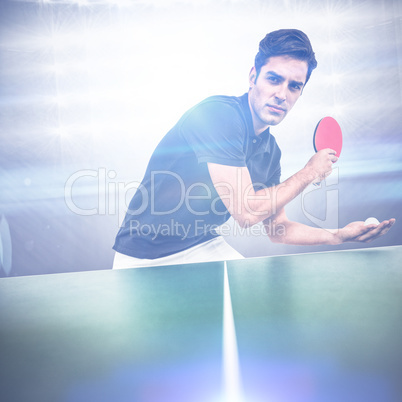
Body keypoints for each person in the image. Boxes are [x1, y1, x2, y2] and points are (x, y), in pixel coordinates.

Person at [112, 29, 395, 269]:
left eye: (294, 86)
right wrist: (309, 173)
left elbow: (277, 228)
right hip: (142, 255)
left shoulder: (271, 152)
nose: (282, 94)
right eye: (274, 79)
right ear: (253, 77)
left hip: (202, 244)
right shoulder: (217, 115)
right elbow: (246, 213)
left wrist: (339, 235)